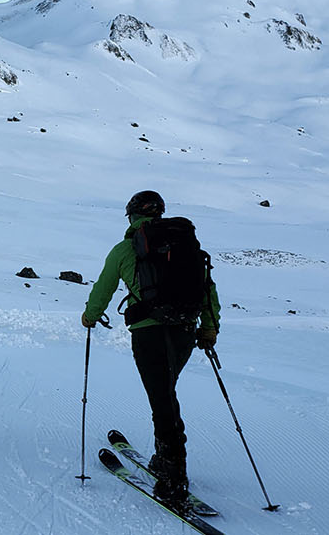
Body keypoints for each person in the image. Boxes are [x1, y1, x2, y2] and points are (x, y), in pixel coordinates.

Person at [81, 190, 221, 505]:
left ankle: (174, 477)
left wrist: (90, 317)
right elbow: (207, 288)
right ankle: (164, 458)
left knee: (162, 398)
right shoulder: (186, 248)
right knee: (165, 392)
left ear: (132, 216)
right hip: (185, 330)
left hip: (148, 333)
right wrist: (209, 328)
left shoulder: (124, 249)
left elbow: (104, 288)